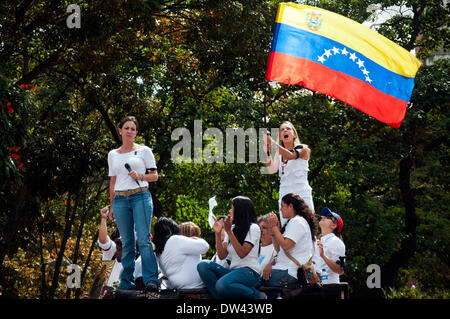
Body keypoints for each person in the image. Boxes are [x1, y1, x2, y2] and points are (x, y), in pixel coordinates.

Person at [107, 116, 159, 291]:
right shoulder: (112, 154)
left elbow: (155, 176)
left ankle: (151, 280)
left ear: (136, 133)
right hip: (120, 200)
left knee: (143, 240)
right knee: (127, 242)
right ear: (120, 130)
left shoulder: (144, 151)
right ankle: (126, 280)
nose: (129, 131)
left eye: (133, 129)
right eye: (126, 128)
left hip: (140, 197)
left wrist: (140, 176)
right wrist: (112, 205)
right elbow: (112, 183)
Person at [197, 196, 265, 299]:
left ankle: (257, 296)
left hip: (249, 272)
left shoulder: (253, 228)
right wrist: (218, 234)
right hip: (233, 272)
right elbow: (222, 255)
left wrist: (228, 231)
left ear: (239, 211)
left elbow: (242, 253)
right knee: (203, 265)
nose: (229, 211)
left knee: (221, 285)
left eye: (232, 208)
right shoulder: (232, 228)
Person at [261, 193, 318, 290]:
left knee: (253, 280)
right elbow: (278, 249)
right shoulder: (293, 222)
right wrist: (274, 231)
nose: (280, 209)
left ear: (290, 206)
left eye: (282, 206)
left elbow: (286, 245)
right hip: (285, 270)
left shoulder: (297, 222)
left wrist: (274, 227)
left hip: (289, 271)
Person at [265, 121, 314, 226]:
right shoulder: (278, 156)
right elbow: (271, 170)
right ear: (280, 137)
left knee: (307, 226)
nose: (285, 131)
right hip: (285, 194)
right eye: (282, 130)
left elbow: (290, 156)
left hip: (301, 194)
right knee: (287, 228)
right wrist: (267, 152)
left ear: (294, 134)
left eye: (288, 128)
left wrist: (272, 143)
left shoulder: (303, 149)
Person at [153, 217, 209, 289]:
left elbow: (164, 273)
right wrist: (195, 239)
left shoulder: (159, 251)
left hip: (177, 286)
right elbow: (205, 247)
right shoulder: (174, 239)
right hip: (194, 284)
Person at [312, 207, 345, 284]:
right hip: (317, 288)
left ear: (334, 225)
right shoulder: (318, 241)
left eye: (327, 217)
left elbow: (340, 270)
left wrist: (323, 255)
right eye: (323, 216)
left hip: (330, 289)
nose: (322, 217)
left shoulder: (336, 242)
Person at [257, 214, 276, 281]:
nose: (261, 231)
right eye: (259, 228)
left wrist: (271, 265)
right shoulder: (254, 248)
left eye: (264, 228)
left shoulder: (276, 248)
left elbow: (280, 260)